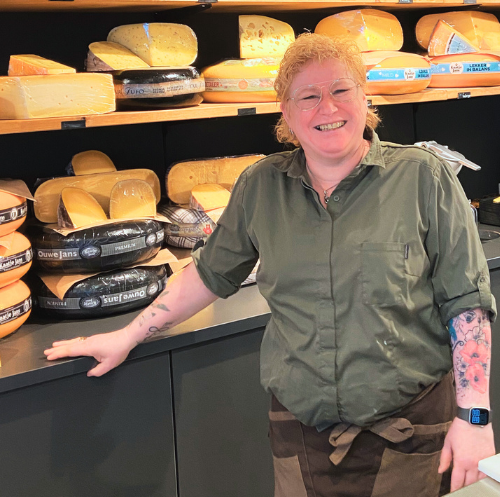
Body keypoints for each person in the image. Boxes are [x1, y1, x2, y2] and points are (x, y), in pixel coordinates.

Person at [45, 33, 496, 496]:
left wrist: (474, 416)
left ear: (365, 97)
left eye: (341, 89)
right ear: (287, 113)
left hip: (410, 437)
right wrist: (127, 335)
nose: (327, 107)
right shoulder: (261, 186)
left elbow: (466, 302)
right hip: (299, 438)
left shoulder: (422, 176)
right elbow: (208, 275)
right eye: (308, 96)